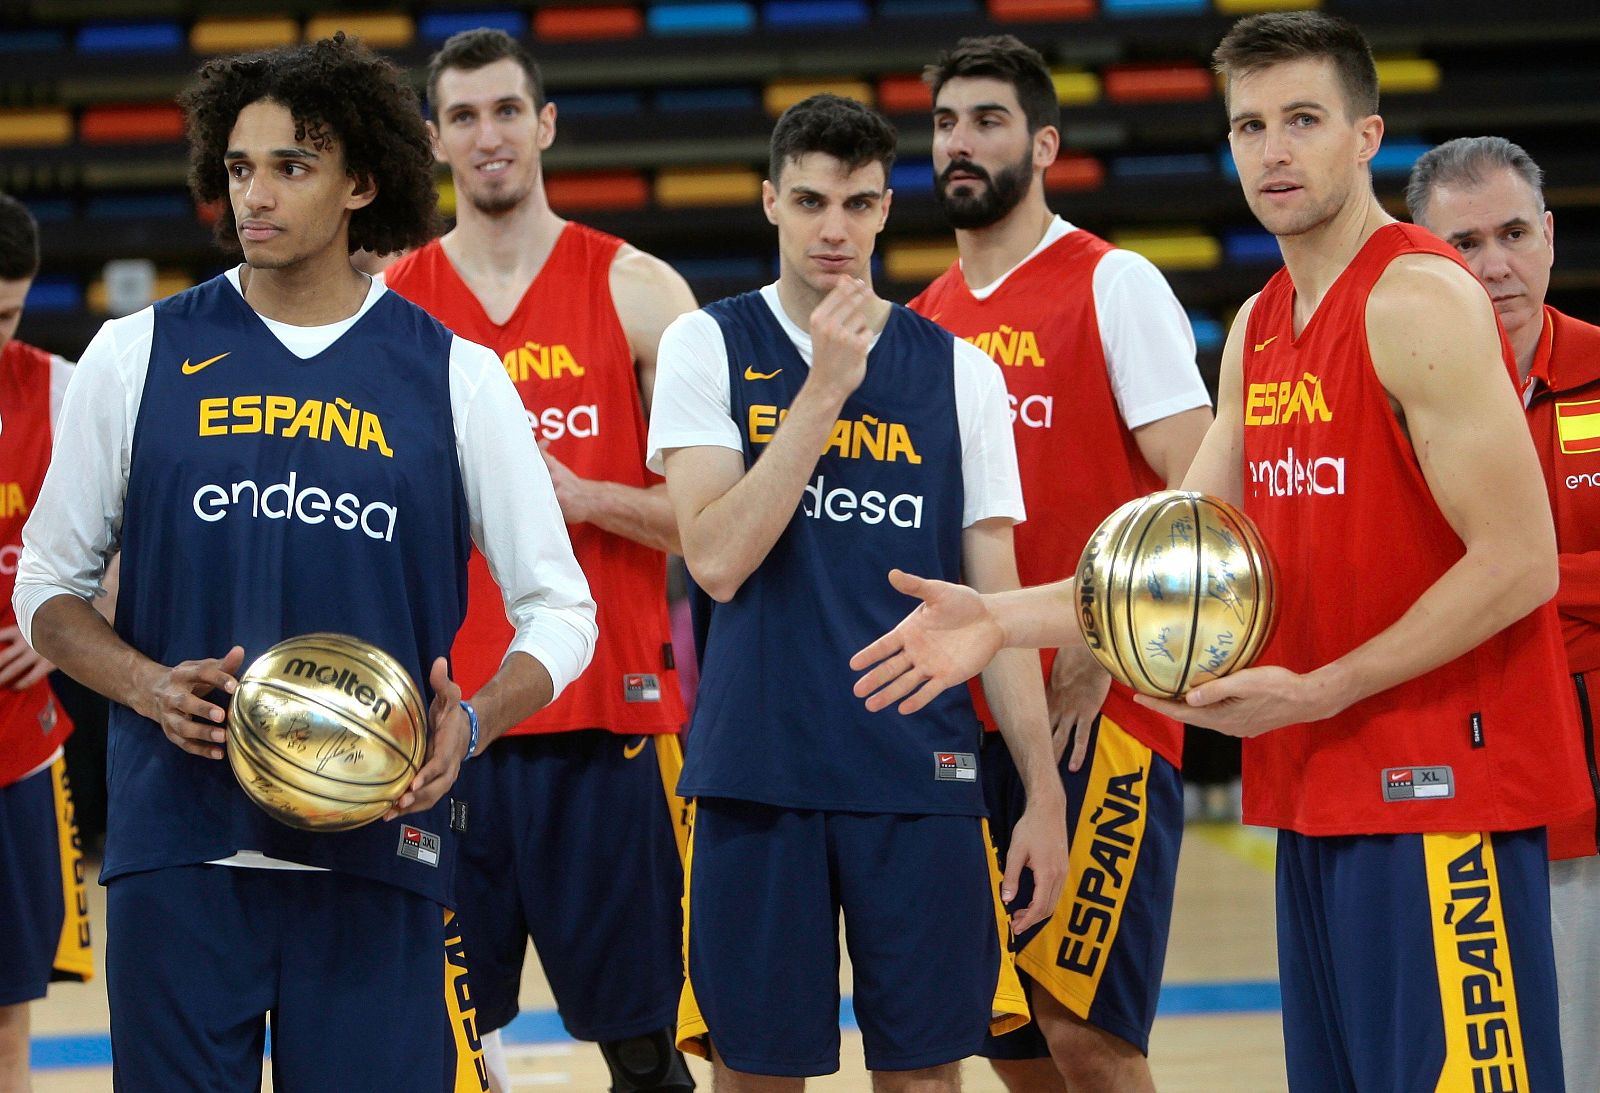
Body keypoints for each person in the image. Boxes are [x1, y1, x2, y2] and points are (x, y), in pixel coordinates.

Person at [851, 13, 1590, 1092]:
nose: (1273, 151)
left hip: (1441, 795)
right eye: (1250, 125)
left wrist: (1324, 687)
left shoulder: (1417, 296)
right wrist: (999, 620)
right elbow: (1171, 551)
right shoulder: (1261, 321)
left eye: (1302, 120)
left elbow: (1519, 560)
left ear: (1364, 136)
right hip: (1318, 788)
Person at [12, 35, 597, 1090]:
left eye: (291, 166)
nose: (257, 194)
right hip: (180, 846)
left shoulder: (455, 376)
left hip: (380, 847)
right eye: (240, 167)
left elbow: (560, 606)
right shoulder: (136, 353)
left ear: (360, 181)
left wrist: (472, 721)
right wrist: (146, 687)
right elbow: (46, 586)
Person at [647, 92, 1067, 1091]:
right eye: (808, 201)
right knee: (755, 1074)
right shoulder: (708, 346)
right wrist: (824, 389)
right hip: (756, 775)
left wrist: (1042, 792)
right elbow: (714, 558)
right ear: (769, 204)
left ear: (884, 210)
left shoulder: (962, 373)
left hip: (918, 777)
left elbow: (992, 595)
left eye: (856, 203)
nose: (832, 228)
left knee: (926, 1074)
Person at [383, 28, 697, 1093]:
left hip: (609, 722)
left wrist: (580, 496)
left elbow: (725, 526)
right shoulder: (391, 307)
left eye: (507, 110)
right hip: (440, 734)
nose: (488, 136)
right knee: (433, 1053)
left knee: (647, 1056)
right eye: (463, 116)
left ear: (546, 123)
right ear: (433, 140)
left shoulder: (642, 290)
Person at [911, 35, 1213, 1093]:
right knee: (1014, 1042)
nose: (960, 142)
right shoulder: (926, 326)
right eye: (947, 121)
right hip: (974, 721)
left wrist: (1104, 637)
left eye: (987, 119)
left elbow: (1199, 492)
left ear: (1043, 142)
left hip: (1105, 714)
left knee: (1086, 1033)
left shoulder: (1111, 282)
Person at [1407, 135, 1600, 1093]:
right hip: (1443, 788)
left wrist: (1508, 579)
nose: (1494, 266)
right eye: (1465, 240)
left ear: (1551, 237)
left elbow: (1459, 585)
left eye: (1516, 233)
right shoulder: (1389, 398)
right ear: (1420, 251)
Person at [0, 191, 92, 1092]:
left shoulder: (62, 389)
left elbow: (124, 555)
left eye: (8, 312)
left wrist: (62, 633)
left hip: (18, 754)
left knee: (8, 1019)